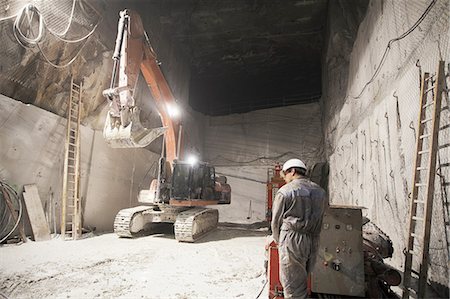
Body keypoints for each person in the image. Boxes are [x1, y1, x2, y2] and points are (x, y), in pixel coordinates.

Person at [271, 158, 328, 299]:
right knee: (303, 279)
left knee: (293, 288)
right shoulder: (320, 192)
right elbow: (322, 216)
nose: (285, 179)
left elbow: (275, 222)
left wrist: (279, 241)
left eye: (285, 175)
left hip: (292, 239)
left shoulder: (285, 192)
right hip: (313, 240)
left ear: (292, 171)